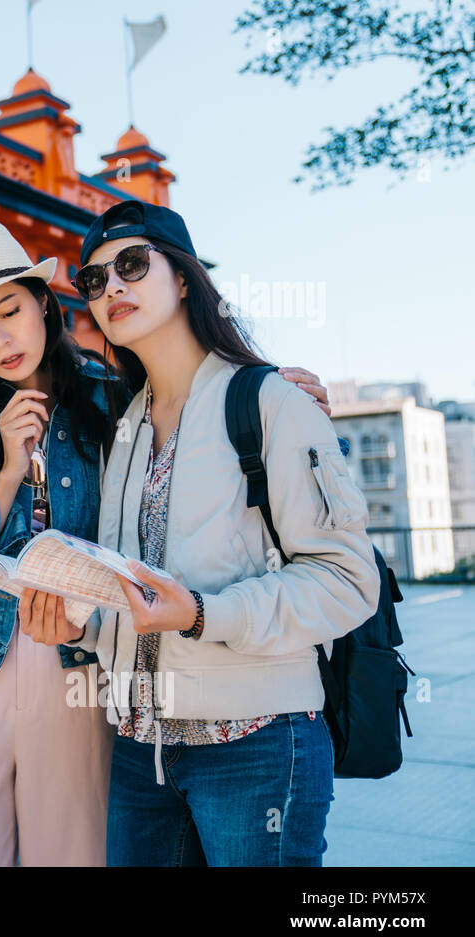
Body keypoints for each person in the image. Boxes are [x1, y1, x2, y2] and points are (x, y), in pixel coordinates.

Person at [0, 218, 335, 865]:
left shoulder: (110, 398)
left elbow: (192, 421)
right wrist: (5, 474)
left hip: (79, 659)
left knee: (74, 849)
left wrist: (278, 391)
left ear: (44, 302)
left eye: (10, 310)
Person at [52, 199, 379, 866]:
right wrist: (77, 626)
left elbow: (347, 582)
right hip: (141, 752)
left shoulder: (270, 402)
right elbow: (138, 597)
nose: (111, 286)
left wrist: (204, 615)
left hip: (256, 746)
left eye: (133, 265)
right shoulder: (127, 426)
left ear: (184, 278)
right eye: (94, 279)